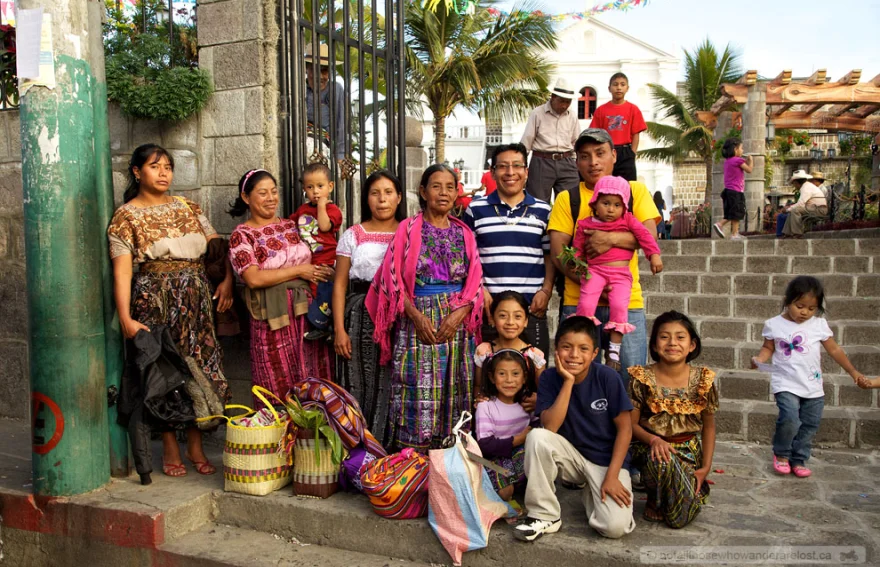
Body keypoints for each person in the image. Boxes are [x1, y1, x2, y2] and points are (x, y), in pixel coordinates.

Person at [108, 143, 233, 478]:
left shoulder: (187, 206)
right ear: (137, 172)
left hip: (196, 298)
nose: (163, 173)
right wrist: (125, 318)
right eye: (154, 166)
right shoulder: (127, 216)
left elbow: (218, 249)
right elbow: (122, 271)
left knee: (198, 368)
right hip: (154, 299)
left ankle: (194, 445)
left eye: (168, 167)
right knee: (163, 373)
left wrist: (226, 283)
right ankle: (171, 448)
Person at [366, 164, 484, 452]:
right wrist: (416, 317)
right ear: (423, 191)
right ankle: (413, 463)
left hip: (456, 325)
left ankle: (451, 465)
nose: (443, 193)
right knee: (417, 391)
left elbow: (475, 280)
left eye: (450, 187)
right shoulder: (407, 229)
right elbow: (392, 280)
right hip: (417, 321)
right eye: (436, 186)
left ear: (458, 193)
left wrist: (459, 314)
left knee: (455, 391)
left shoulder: (464, 233)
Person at [549, 127, 661, 384]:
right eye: (585, 156)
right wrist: (592, 282)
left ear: (613, 155)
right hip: (579, 303)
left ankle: (626, 427)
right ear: (577, 162)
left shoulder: (634, 192)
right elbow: (559, 254)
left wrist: (610, 238)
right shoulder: (569, 198)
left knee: (630, 381)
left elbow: (651, 237)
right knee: (576, 381)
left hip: (625, 304)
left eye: (600, 153)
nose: (593, 162)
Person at [514, 316, 635, 542]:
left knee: (614, 528)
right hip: (572, 457)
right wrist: (568, 381)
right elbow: (550, 427)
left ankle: (594, 491)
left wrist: (611, 476)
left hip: (606, 462)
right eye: (566, 347)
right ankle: (545, 514)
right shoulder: (550, 377)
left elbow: (625, 430)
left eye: (583, 349)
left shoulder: (607, 377)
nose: (574, 355)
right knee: (538, 437)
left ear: (594, 353)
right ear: (556, 349)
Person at [228, 168, 335, 401]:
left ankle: (312, 435)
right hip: (270, 316)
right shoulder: (242, 235)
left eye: (274, 192)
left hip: (306, 310)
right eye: (262, 193)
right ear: (246, 198)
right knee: (275, 378)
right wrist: (300, 270)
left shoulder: (292, 225)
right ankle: (279, 436)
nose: (271, 198)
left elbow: (321, 246)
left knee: (313, 375)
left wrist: (326, 269)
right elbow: (253, 278)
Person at [751, 276, 869, 478]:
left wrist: (853, 372)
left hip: (813, 385)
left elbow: (835, 350)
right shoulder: (774, 324)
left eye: (811, 308)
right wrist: (759, 359)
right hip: (786, 382)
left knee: (810, 424)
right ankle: (781, 454)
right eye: (799, 306)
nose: (805, 312)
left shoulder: (819, 325)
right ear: (788, 301)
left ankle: (799, 459)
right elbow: (767, 347)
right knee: (789, 419)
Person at [333, 170, 404, 447]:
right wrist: (339, 329)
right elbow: (339, 285)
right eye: (375, 193)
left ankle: (390, 454)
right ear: (367, 198)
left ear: (399, 197)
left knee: (394, 382)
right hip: (358, 317)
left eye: (388, 192)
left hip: (398, 316)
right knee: (357, 383)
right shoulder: (354, 234)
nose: (382, 199)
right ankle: (358, 451)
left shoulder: (408, 231)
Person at [628, 311, 718, 528]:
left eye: (680, 337)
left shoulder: (703, 379)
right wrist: (654, 440)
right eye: (664, 336)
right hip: (649, 449)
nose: (672, 343)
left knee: (678, 518)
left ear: (692, 345)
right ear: (655, 344)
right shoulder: (641, 377)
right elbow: (630, 424)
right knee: (662, 460)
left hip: (688, 450)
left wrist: (705, 468)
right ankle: (658, 498)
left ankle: (682, 489)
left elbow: (709, 427)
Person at [465, 143, 554, 356]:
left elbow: (549, 255)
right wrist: (479, 290)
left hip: (531, 309)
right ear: (493, 172)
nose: (510, 172)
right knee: (488, 373)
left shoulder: (543, 210)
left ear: (526, 171)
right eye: (503, 166)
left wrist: (547, 290)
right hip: (489, 311)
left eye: (517, 166)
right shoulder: (475, 209)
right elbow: (468, 257)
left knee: (534, 373)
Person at [573, 176, 663, 370]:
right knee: (586, 304)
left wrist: (654, 256)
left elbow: (645, 236)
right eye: (606, 203)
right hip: (594, 272)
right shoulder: (585, 224)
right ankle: (583, 339)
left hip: (620, 275)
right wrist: (578, 265)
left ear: (624, 207)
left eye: (617, 205)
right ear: (595, 203)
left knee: (620, 308)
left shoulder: (628, 220)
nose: (611, 209)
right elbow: (577, 249)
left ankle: (614, 350)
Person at [475, 349, 540, 501]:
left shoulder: (527, 403)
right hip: (495, 460)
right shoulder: (486, 406)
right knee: (505, 492)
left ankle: (522, 484)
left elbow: (539, 427)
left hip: (521, 457)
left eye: (515, 374)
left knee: (535, 451)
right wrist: (518, 439)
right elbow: (485, 445)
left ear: (524, 377)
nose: (509, 380)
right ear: (492, 377)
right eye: (502, 374)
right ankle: (510, 486)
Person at [290, 163, 343, 340]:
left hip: (327, 259)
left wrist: (321, 206)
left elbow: (324, 225)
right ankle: (318, 324)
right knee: (312, 292)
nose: (315, 192)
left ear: (330, 187)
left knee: (325, 293)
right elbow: (289, 226)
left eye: (320, 186)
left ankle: (324, 326)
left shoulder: (332, 210)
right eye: (310, 187)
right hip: (308, 261)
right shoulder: (302, 210)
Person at [474, 291, 547, 400]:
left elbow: (544, 392)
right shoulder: (484, 351)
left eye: (517, 316)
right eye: (503, 316)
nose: (510, 322)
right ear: (493, 319)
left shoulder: (534, 355)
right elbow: (478, 387)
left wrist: (537, 401)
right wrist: (479, 398)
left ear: (526, 321)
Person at [520, 78, 580, 202]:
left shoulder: (572, 115)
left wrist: (575, 162)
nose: (564, 105)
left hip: (567, 161)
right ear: (553, 97)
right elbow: (527, 141)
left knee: (571, 201)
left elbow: (576, 141)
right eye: (561, 101)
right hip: (541, 161)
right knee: (537, 203)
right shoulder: (537, 113)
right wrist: (520, 165)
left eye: (568, 102)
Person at [589, 73, 647, 181]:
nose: (619, 88)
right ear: (609, 88)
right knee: (605, 183)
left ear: (627, 88)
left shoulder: (633, 109)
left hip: (626, 152)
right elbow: (595, 134)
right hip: (607, 151)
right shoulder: (601, 110)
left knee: (628, 186)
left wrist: (632, 154)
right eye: (615, 84)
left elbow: (636, 134)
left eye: (622, 84)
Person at [305, 44, 347, 164]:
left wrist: (340, 156)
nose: (321, 76)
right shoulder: (299, 89)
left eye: (325, 71)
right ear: (306, 69)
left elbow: (341, 123)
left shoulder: (335, 89)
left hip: (320, 147)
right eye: (315, 70)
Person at [712, 138, 753, 240]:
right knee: (737, 212)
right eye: (741, 148)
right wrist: (751, 161)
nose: (742, 151)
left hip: (728, 191)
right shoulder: (738, 160)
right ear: (735, 149)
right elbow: (749, 170)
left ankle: (735, 233)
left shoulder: (727, 161)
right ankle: (721, 224)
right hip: (736, 191)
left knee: (733, 213)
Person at [783, 170, 828, 238]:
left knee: (795, 210)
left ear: (796, 182)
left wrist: (787, 209)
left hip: (819, 209)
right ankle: (787, 233)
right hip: (814, 208)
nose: (794, 185)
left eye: (793, 183)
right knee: (792, 210)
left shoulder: (806, 187)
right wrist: (789, 209)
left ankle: (797, 233)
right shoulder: (806, 186)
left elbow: (801, 204)